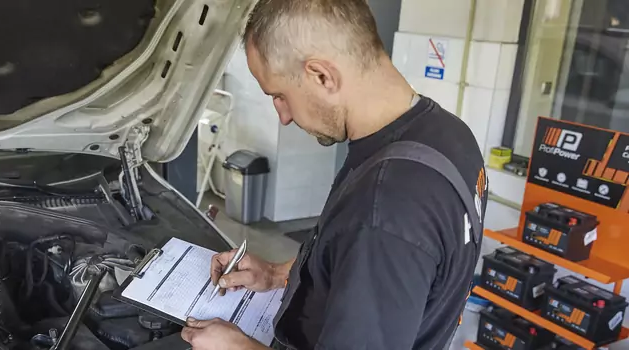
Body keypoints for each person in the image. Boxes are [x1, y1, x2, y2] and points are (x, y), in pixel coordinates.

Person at [180, 0, 488, 349]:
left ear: (322, 75)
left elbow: (379, 246)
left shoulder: (385, 209)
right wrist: (277, 274)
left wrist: (237, 347)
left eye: (280, 95)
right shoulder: (450, 134)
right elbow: (377, 270)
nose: (283, 116)